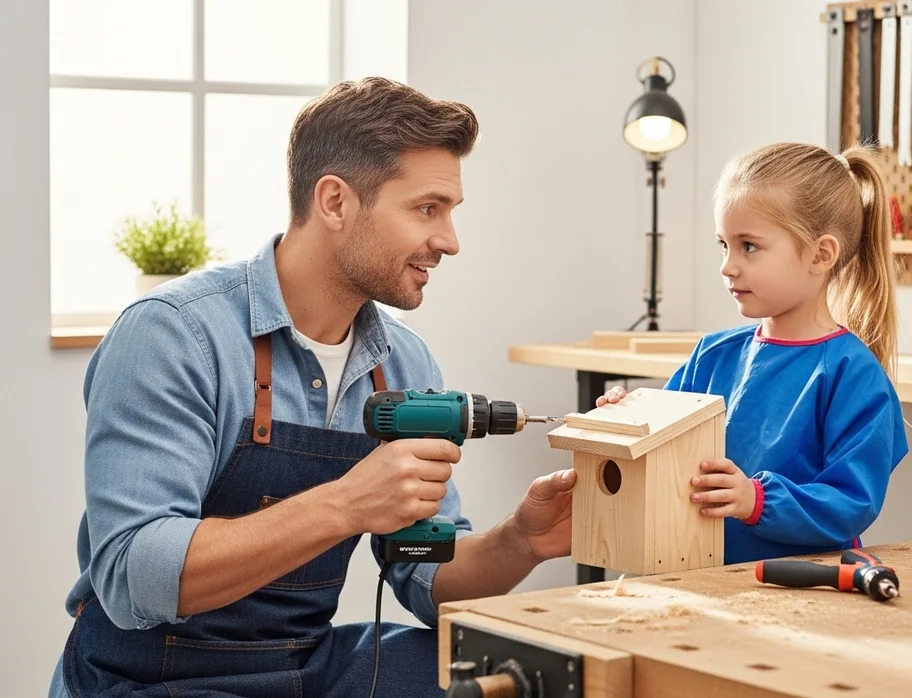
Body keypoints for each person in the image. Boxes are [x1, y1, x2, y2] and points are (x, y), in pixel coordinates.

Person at [48, 77, 576, 698]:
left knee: (522, 670)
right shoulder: (174, 336)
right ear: (334, 202)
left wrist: (523, 540)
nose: (449, 241)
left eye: (451, 213)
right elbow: (137, 575)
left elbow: (426, 581)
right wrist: (348, 503)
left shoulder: (403, 364)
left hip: (302, 664)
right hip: (148, 675)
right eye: (427, 209)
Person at [598, 142, 908, 566]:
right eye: (723, 244)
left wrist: (756, 500)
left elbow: (851, 502)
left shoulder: (852, 375)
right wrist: (627, 416)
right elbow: (661, 451)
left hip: (806, 585)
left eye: (749, 246)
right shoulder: (712, 355)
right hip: (701, 575)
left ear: (821, 254)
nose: (728, 265)